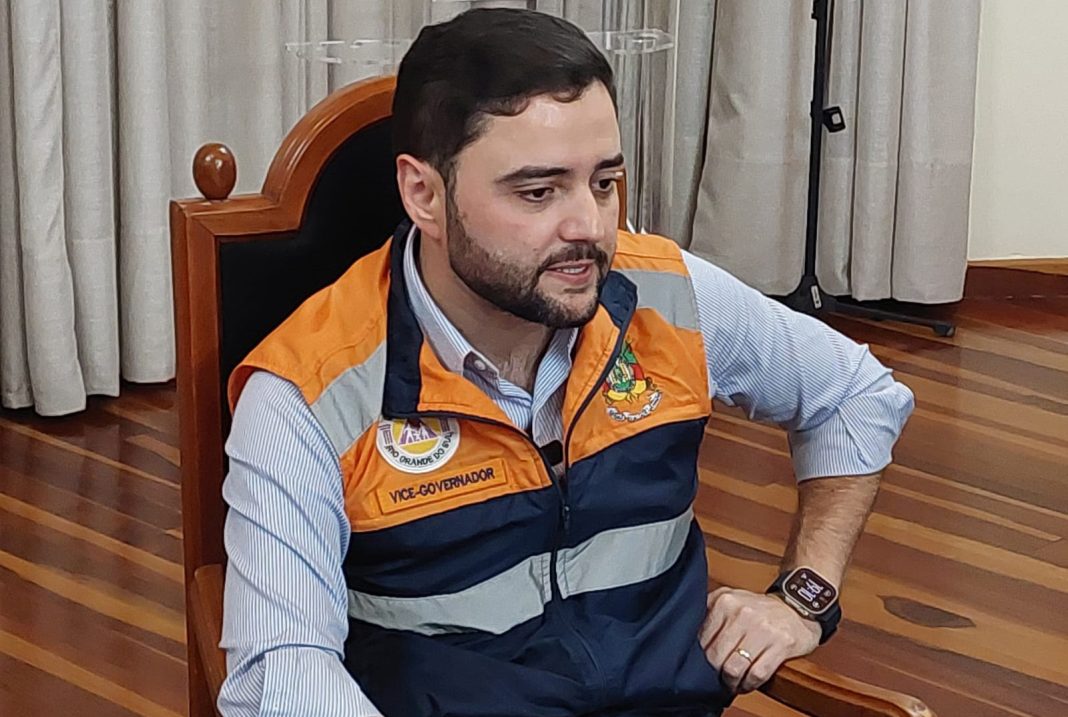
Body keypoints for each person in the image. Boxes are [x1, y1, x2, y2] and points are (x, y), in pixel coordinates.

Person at [218, 8, 914, 717]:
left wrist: (803, 597)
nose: (589, 226)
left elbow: (855, 396)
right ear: (424, 194)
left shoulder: (667, 294)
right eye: (538, 192)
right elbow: (282, 671)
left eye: (604, 182)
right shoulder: (307, 393)